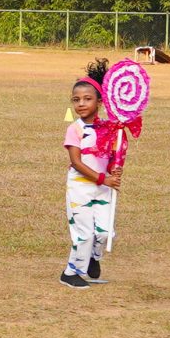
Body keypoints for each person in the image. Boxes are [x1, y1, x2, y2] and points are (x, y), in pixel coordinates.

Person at [62, 62, 121, 288]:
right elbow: (76, 162)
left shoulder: (109, 129)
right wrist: (103, 178)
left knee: (105, 232)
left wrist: (114, 167)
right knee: (84, 233)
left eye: (87, 98)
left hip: (103, 188)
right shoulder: (74, 129)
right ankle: (70, 273)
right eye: (76, 100)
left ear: (100, 101)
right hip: (80, 188)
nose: (81, 104)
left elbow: (111, 156)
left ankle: (93, 258)